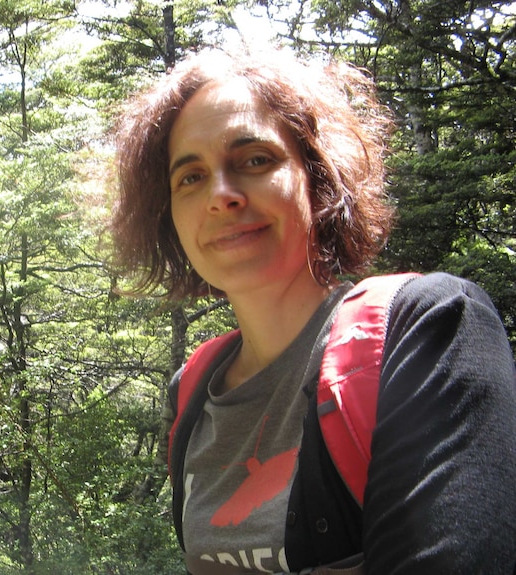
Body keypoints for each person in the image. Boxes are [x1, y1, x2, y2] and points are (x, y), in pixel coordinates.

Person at [109, 47, 516, 574]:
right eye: (190, 177)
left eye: (255, 160)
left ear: (318, 178)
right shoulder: (190, 393)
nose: (221, 195)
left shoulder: (428, 328)